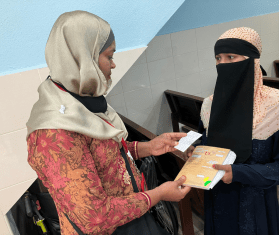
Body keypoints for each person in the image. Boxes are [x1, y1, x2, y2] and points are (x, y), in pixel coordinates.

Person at [26, 10, 191, 235]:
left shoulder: (81, 99)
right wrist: (159, 194)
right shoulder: (54, 132)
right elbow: (95, 217)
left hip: (133, 216)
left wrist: (147, 147)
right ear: (84, 58)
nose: (113, 65)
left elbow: (102, 156)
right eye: (109, 56)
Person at [196, 27, 279, 235]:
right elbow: (205, 145)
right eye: (218, 58)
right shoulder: (209, 105)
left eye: (230, 57)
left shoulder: (274, 106)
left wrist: (238, 173)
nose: (222, 64)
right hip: (218, 201)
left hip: (256, 206)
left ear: (252, 61)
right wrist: (195, 153)